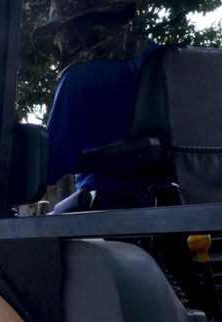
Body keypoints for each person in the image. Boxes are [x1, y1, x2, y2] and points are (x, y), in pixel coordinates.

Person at [39, 0, 159, 213]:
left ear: (80, 27)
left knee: (36, 238)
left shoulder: (79, 77)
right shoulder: (158, 57)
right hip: (176, 200)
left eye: (59, 31)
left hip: (108, 204)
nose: (57, 41)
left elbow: (51, 166)